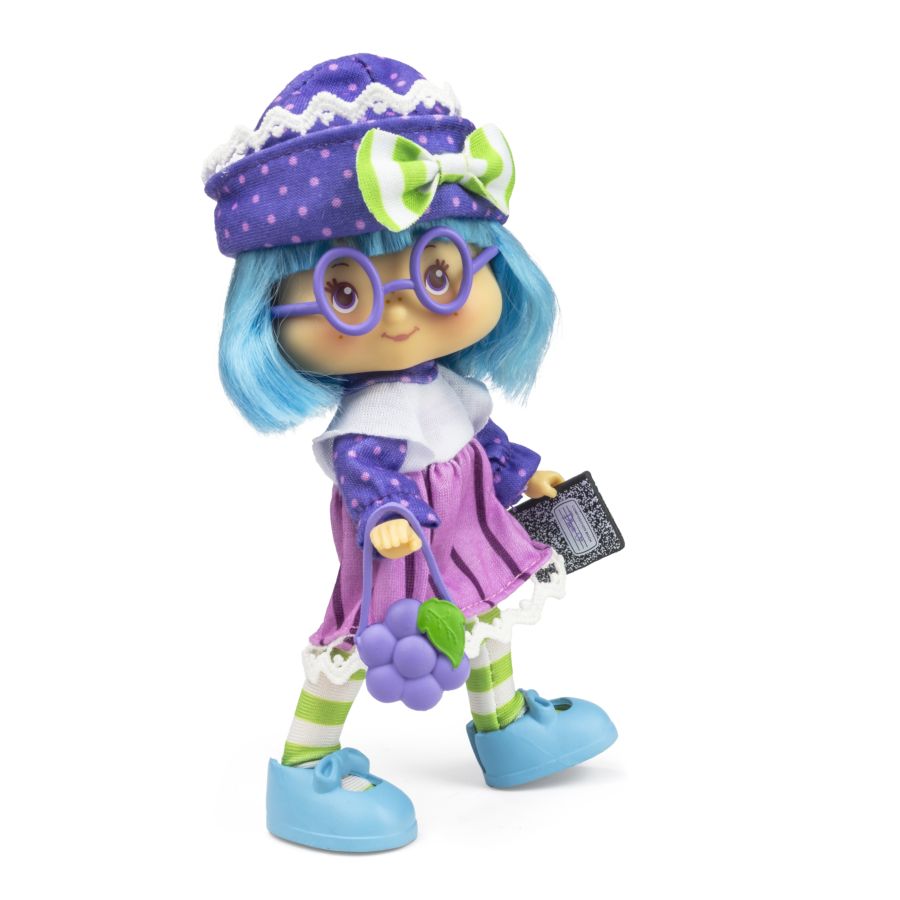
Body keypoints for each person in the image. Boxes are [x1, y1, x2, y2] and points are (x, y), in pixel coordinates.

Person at [204, 52, 617, 852]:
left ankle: (504, 725)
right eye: (345, 292)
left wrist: (525, 473)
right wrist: (386, 514)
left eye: (437, 273)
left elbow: (480, 440)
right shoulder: (373, 419)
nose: (399, 317)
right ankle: (303, 765)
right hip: (403, 549)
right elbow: (363, 472)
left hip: (473, 533)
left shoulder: (447, 388)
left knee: (488, 617)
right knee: (361, 646)